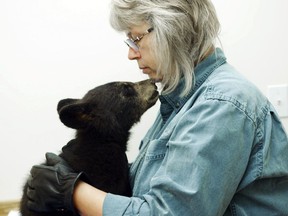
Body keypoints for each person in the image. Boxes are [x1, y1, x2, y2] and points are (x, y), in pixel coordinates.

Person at [26, 0, 288, 215]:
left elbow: (169, 212)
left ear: (172, 30)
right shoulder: (181, 99)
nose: (131, 53)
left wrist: (74, 190)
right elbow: (151, 189)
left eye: (136, 39)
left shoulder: (221, 103)